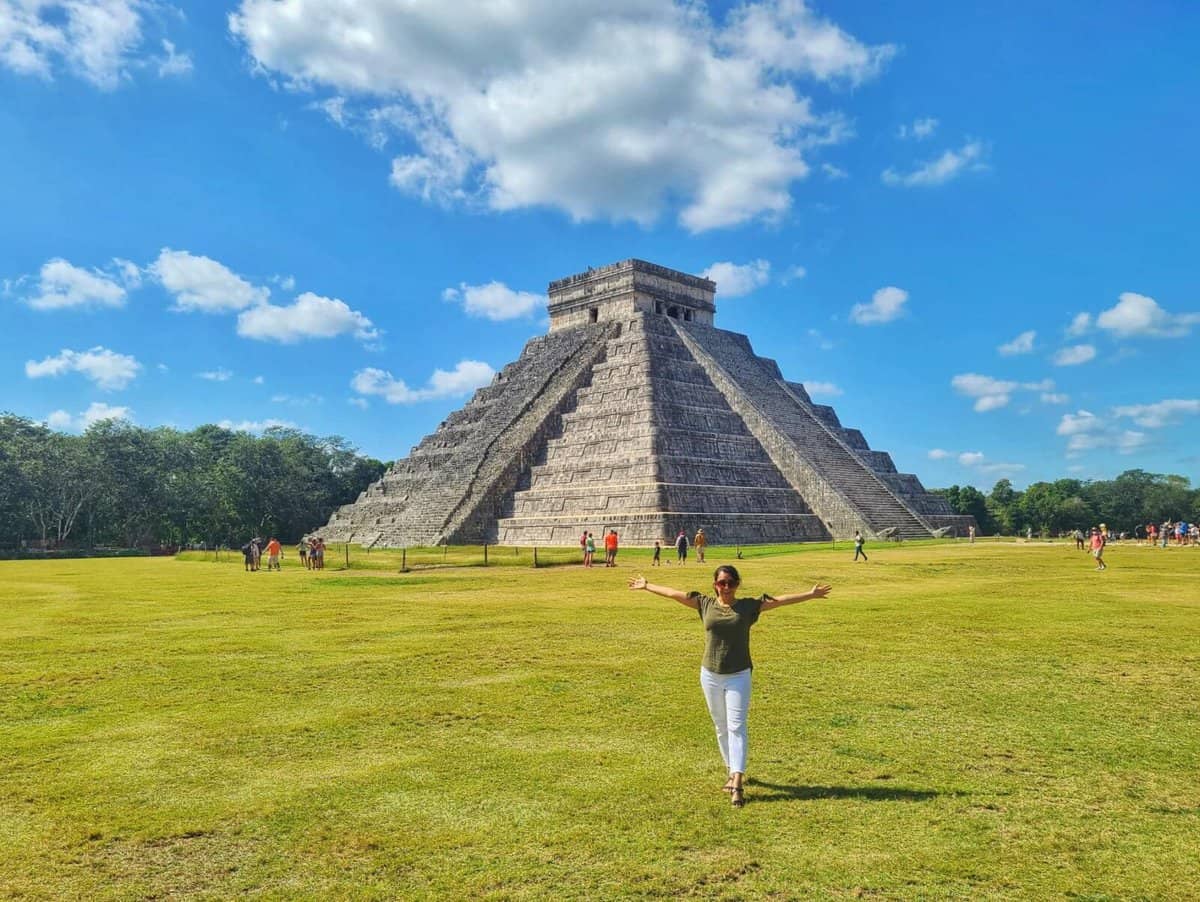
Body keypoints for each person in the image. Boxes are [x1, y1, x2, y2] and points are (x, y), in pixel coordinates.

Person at [628, 566, 833, 808]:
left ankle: (737, 782)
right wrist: (647, 585)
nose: (726, 587)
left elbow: (780, 601)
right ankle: (730, 769)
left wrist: (810, 594)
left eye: (731, 583)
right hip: (710, 675)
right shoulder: (704, 604)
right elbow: (674, 593)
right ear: (715, 584)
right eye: (722, 583)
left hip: (738, 675)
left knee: (737, 726)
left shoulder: (747, 607)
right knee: (721, 726)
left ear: (737, 585)